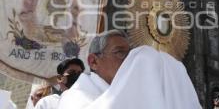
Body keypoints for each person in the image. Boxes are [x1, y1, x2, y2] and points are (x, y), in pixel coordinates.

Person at [58, 29, 202, 109]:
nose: (130, 60)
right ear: (93, 61)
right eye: (120, 52)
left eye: (131, 54)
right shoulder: (75, 97)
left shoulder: (137, 91)